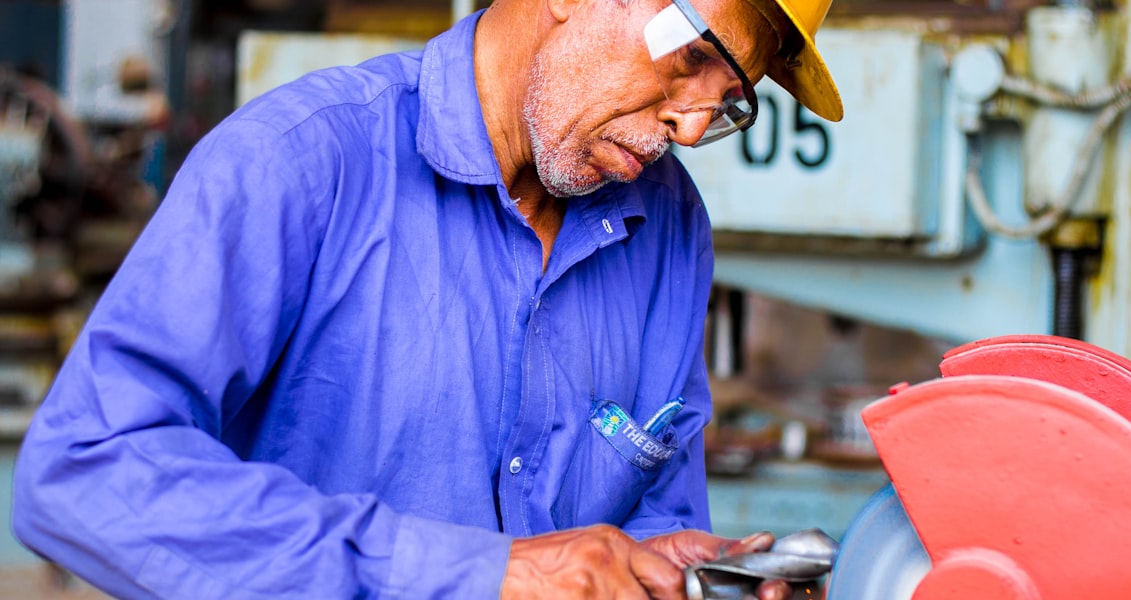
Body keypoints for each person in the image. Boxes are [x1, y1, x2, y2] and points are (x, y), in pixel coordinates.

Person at [12, 0, 843, 596]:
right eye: (693, 57)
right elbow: (82, 472)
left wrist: (680, 574)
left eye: (729, 100)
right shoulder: (299, 163)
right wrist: (480, 575)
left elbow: (649, 518)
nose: (692, 127)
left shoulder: (667, 224)